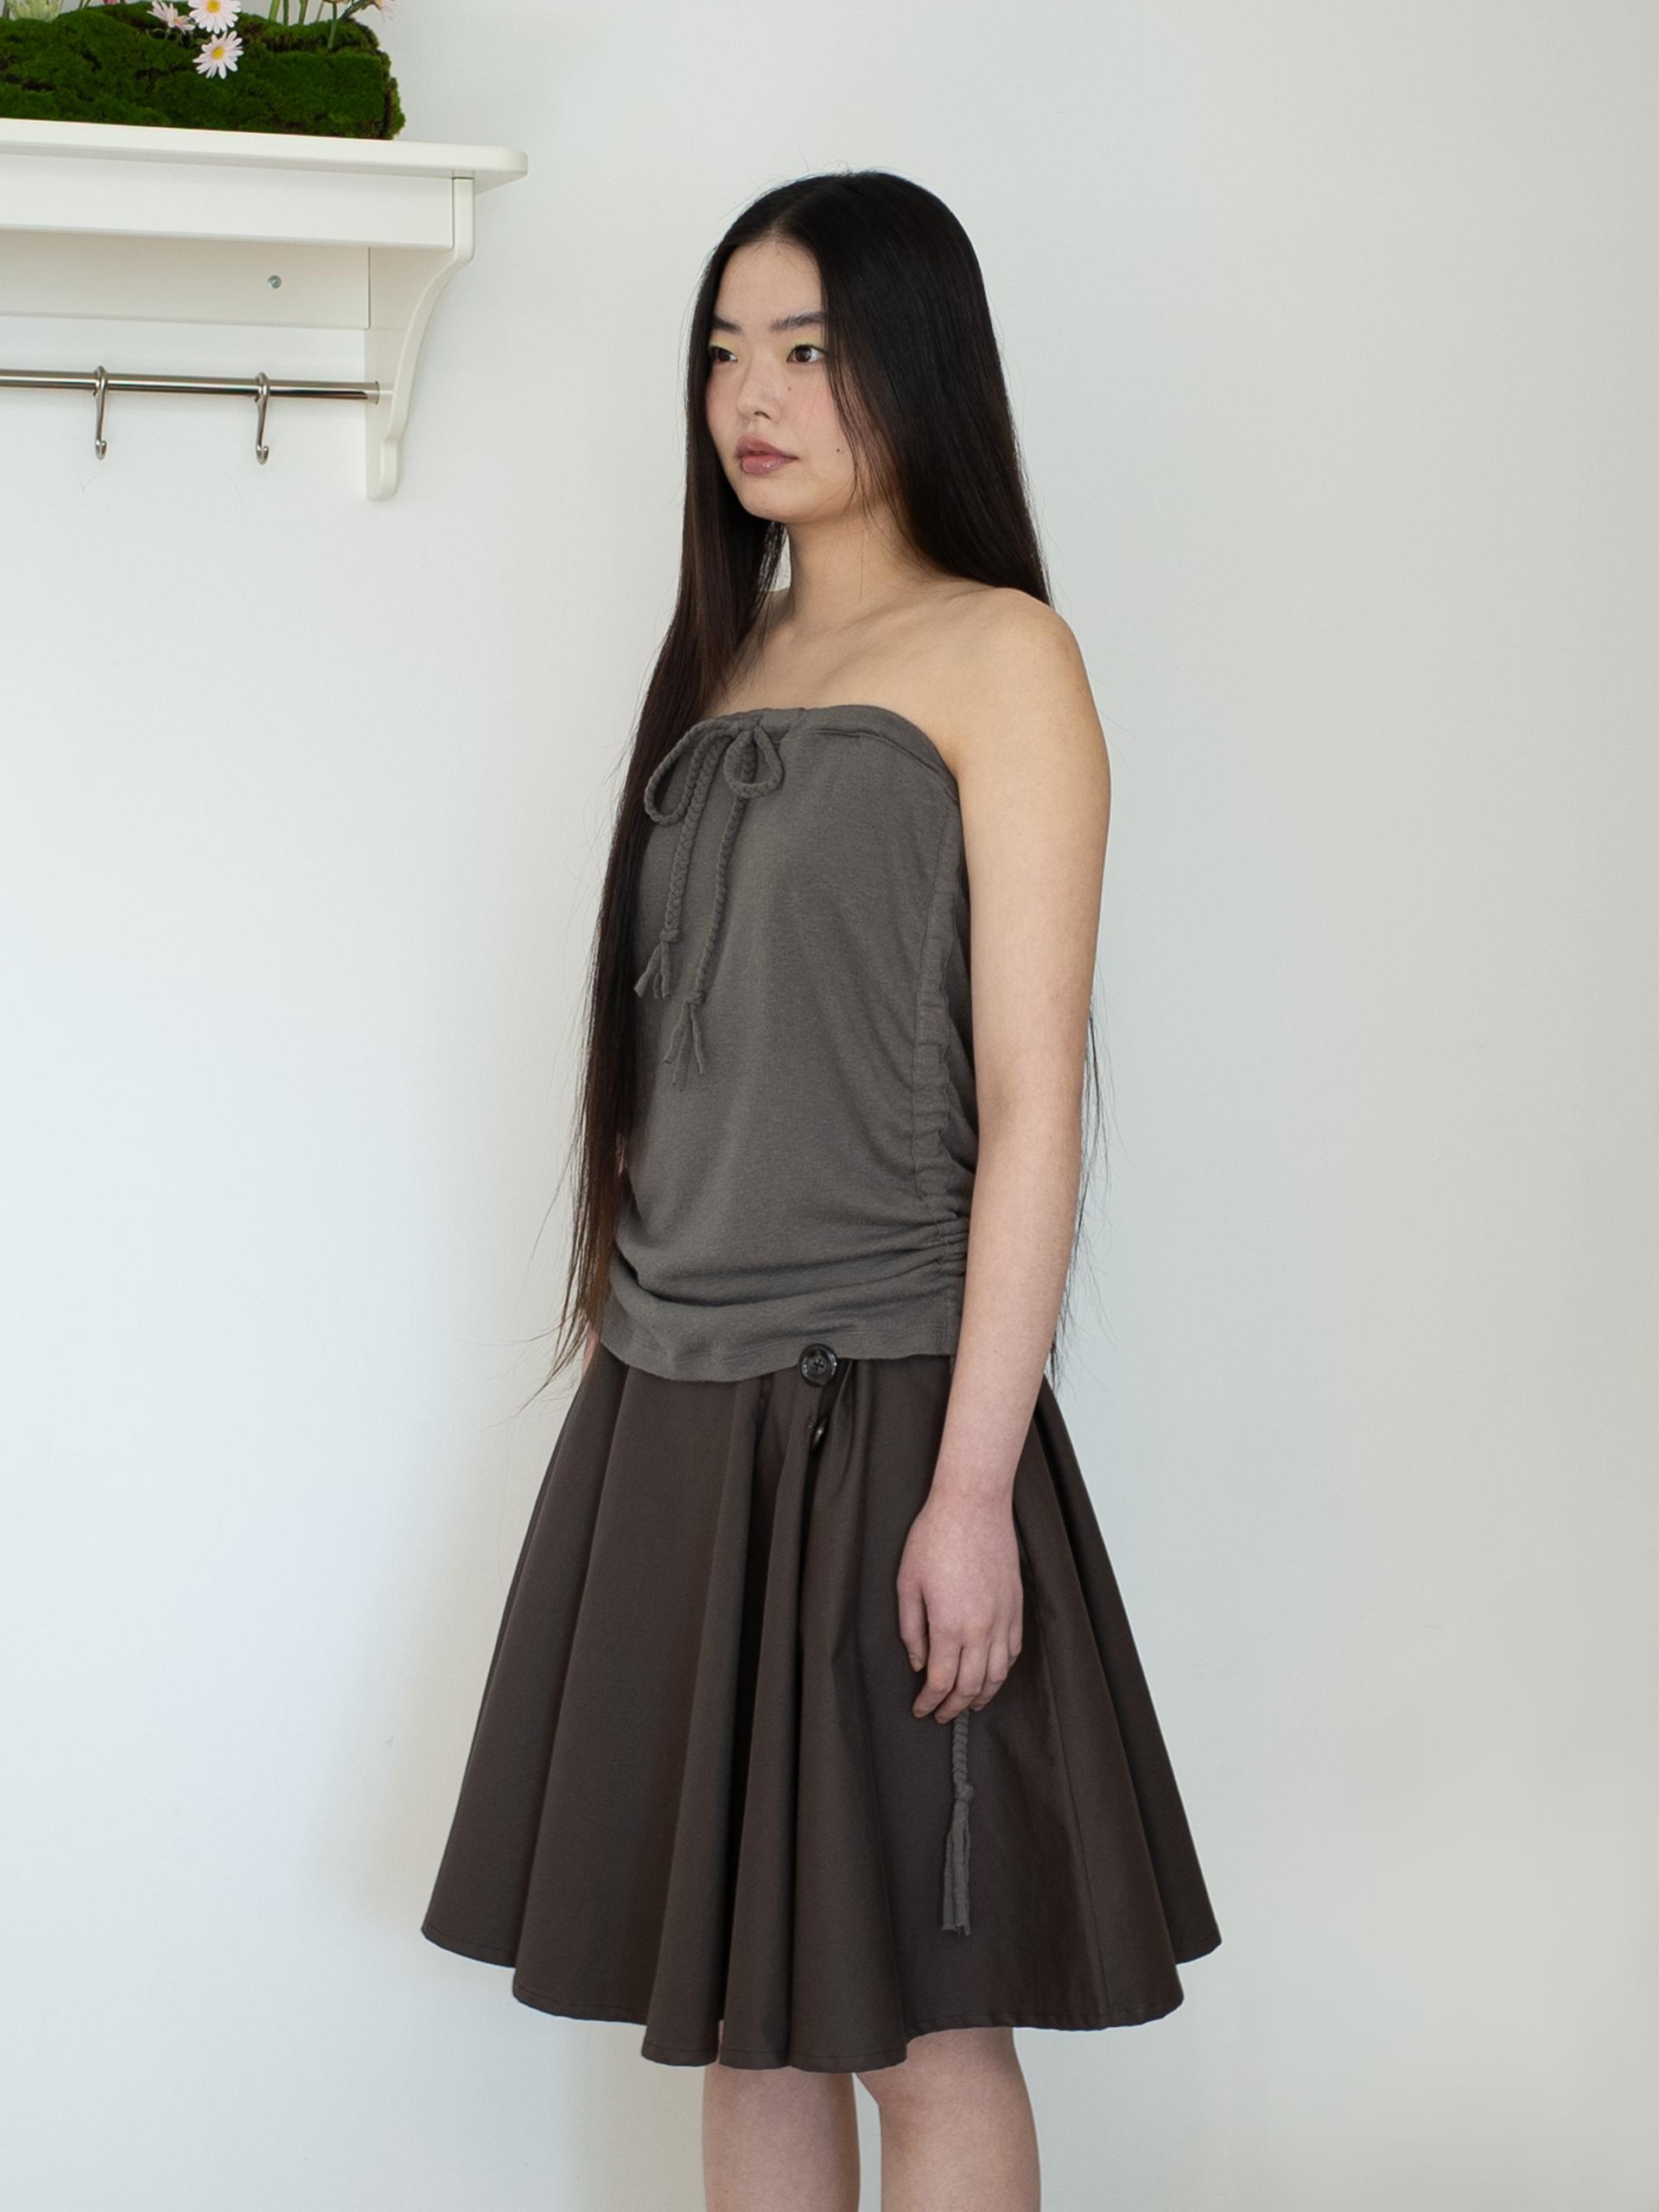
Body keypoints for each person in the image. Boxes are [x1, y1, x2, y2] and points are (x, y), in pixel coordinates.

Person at [421, 167, 1221, 2212]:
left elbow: (1032, 1100)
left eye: (807, 348)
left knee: (926, 2029)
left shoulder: (1003, 654)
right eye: (724, 352)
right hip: (676, 1405)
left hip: (888, 1406)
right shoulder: (726, 660)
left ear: (916, 366)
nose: (751, 397)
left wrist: (972, 1489)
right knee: (747, 2018)